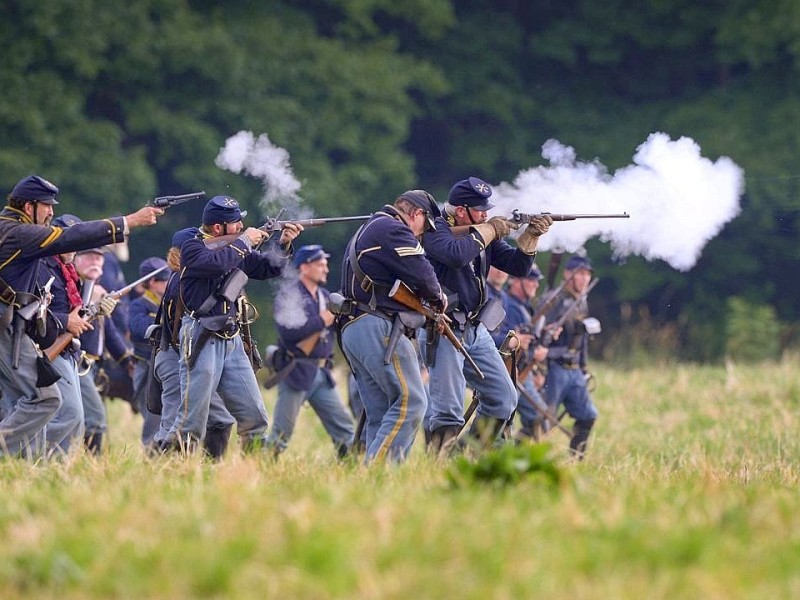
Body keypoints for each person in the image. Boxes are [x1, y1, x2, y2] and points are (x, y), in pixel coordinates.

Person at [0, 174, 161, 458]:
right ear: (29, 207)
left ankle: (24, 469)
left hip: (13, 325)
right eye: (47, 206)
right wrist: (129, 221)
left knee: (22, 401)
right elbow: (68, 237)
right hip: (7, 326)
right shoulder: (17, 232)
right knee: (44, 399)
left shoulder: (11, 230)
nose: (51, 212)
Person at [418, 176, 552, 455]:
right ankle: (437, 467)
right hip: (443, 329)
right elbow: (455, 255)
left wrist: (530, 238)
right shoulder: (435, 229)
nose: (486, 215)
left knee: (503, 399)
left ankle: (463, 455)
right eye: (480, 210)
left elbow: (518, 267)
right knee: (447, 411)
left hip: (476, 330)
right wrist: (489, 230)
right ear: (461, 210)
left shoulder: (481, 232)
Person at [164, 195, 302, 453]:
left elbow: (268, 268)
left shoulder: (237, 248)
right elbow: (215, 262)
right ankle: (171, 472)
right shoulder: (193, 247)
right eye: (236, 223)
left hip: (231, 338)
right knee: (191, 422)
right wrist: (246, 241)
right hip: (200, 335)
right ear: (218, 228)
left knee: (255, 418)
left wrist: (283, 244)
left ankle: (252, 475)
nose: (241, 226)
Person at [338, 190, 445, 463]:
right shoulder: (395, 229)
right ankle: (377, 473)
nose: (422, 234)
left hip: (355, 326)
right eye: (425, 226)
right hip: (378, 326)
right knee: (413, 403)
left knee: (382, 411)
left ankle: (378, 488)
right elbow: (424, 274)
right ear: (416, 214)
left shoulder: (371, 227)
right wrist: (439, 298)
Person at [149, 227, 235, 459]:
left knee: (220, 420)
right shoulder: (184, 281)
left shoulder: (185, 277)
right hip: (175, 357)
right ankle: (162, 471)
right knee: (175, 423)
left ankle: (206, 472)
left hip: (185, 356)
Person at [266, 245, 355, 458]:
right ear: (304, 267)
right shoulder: (290, 295)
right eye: (320, 264)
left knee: (345, 430)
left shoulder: (325, 296)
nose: (325, 269)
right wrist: (321, 321)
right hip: (296, 371)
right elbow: (288, 332)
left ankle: (351, 466)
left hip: (322, 373)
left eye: (325, 264)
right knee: (281, 432)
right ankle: (262, 467)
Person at [32, 214, 94, 455]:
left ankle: (54, 469)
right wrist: (68, 320)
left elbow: (75, 315)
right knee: (70, 414)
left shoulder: (67, 271)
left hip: (67, 348)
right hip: (49, 346)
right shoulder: (42, 267)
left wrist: (92, 313)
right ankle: (40, 461)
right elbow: (38, 311)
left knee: (75, 419)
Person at [73, 247, 135, 454]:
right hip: (76, 363)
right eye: (89, 256)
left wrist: (126, 360)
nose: (96, 262)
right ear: (75, 259)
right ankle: (88, 466)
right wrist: (88, 303)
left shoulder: (95, 289)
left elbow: (108, 331)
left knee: (89, 419)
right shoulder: (72, 289)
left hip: (93, 365)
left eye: (99, 257)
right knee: (94, 420)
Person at [541, 255, 599, 459]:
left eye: (587, 274)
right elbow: (539, 334)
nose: (584, 279)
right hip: (553, 368)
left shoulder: (581, 302)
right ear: (567, 274)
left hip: (573, 370)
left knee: (588, 416)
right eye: (580, 274)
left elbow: (581, 339)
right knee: (541, 422)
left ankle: (576, 460)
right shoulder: (554, 299)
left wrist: (583, 368)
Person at [500, 265, 550, 441]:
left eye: (536, 281)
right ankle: (461, 447)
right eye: (530, 280)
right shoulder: (510, 306)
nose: (535, 285)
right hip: (511, 371)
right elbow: (509, 345)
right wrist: (533, 356)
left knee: (538, 416)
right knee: (500, 421)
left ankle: (518, 455)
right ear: (515, 281)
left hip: (523, 372)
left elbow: (529, 340)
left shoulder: (524, 307)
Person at [128, 256, 170, 444]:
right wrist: (164, 324)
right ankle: (151, 452)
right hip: (146, 366)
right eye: (165, 279)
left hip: (165, 364)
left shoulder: (170, 303)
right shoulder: (139, 305)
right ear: (153, 282)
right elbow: (138, 328)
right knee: (152, 414)